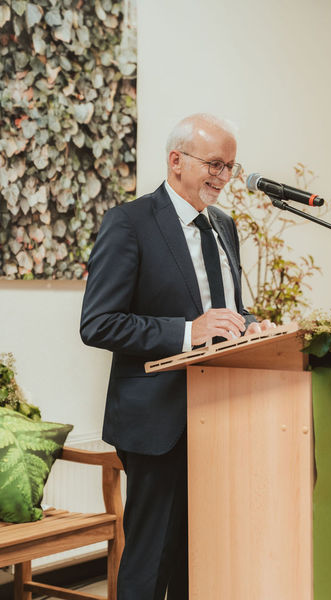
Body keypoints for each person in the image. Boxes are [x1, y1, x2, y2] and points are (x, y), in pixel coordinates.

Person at [80, 113, 274, 600]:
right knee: (151, 562)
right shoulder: (130, 222)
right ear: (176, 161)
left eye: (230, 167)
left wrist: (251, 325)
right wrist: (189, 331)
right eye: (214, 164)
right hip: (158, 422)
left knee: (200, 557)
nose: (223, 177)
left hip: (219, 414)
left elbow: (227, 309)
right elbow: (99, 323)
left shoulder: (225, 226)